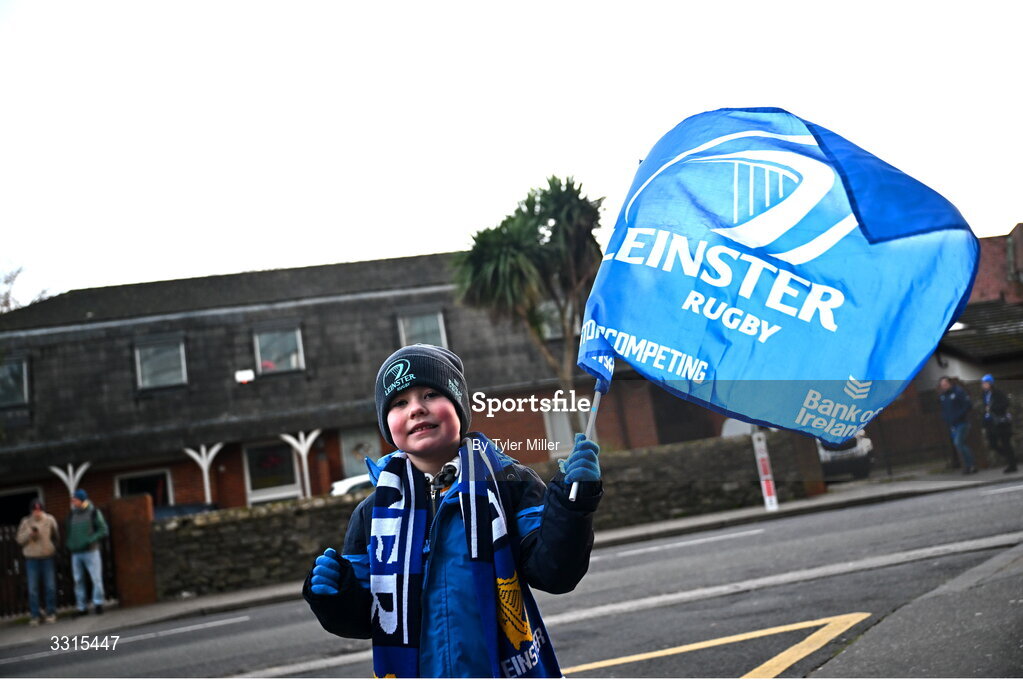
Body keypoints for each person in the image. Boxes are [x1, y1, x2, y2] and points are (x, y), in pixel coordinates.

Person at [304, 344, 602, 678]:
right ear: (387, 424)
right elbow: (366, 618)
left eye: (431, 394)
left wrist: (573, 503)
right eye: (400, 402)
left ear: (458, 406)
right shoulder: (372, 512)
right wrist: (332, 596)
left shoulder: (511, 482)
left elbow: (555, 573)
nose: (416, 409)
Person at [15, 498, 59, 625]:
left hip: (47, 557)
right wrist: (29, 533)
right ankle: (35, 615)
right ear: (31, 510)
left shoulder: (50, 520)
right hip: (31, 559)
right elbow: (19, 539)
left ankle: (51, 612)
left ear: (42, 509)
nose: (37, 511)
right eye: (35, 509)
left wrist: (52, 548)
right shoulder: (25, 522)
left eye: (39, 509)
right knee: (33, 589)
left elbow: (56, 536)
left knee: (50, 587)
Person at [66, 488, 108, 616]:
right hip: (76, 552)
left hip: (91, 550)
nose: (73, 501)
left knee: (96, 578)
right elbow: (69, 532)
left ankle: (98, 603)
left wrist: (90, 540)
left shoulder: (93, 512)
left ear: (81, 500)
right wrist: (70, 543)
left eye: (75, 499)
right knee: (78, 580)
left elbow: (103, 529)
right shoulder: (72, 514)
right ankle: (81, 607)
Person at [938, 376, 976, 474]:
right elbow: (944, 410)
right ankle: (967, 466)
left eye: (945, 384)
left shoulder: (958, 392)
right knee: (960, 445)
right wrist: (946, 418)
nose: (944, 386)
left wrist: (958, 416)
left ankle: (971, 465)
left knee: (958, 443)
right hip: (952, 425)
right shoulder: (943, 396)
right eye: (942, 385)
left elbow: (967, 405)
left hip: (962, 422)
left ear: (950, 383)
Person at [981, 374, 1017, 473]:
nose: (983, 385)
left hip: (1001, 422)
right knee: (992, 444)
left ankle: (1012, 464)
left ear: (990, 383)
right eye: (983, 383)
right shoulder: (985, 395)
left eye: (985, 383)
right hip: (990, 422)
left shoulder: (998, 393)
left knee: (1006, 443)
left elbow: (1005, 404)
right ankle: (1010, 458)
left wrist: (993, 408)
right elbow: (985, 409)